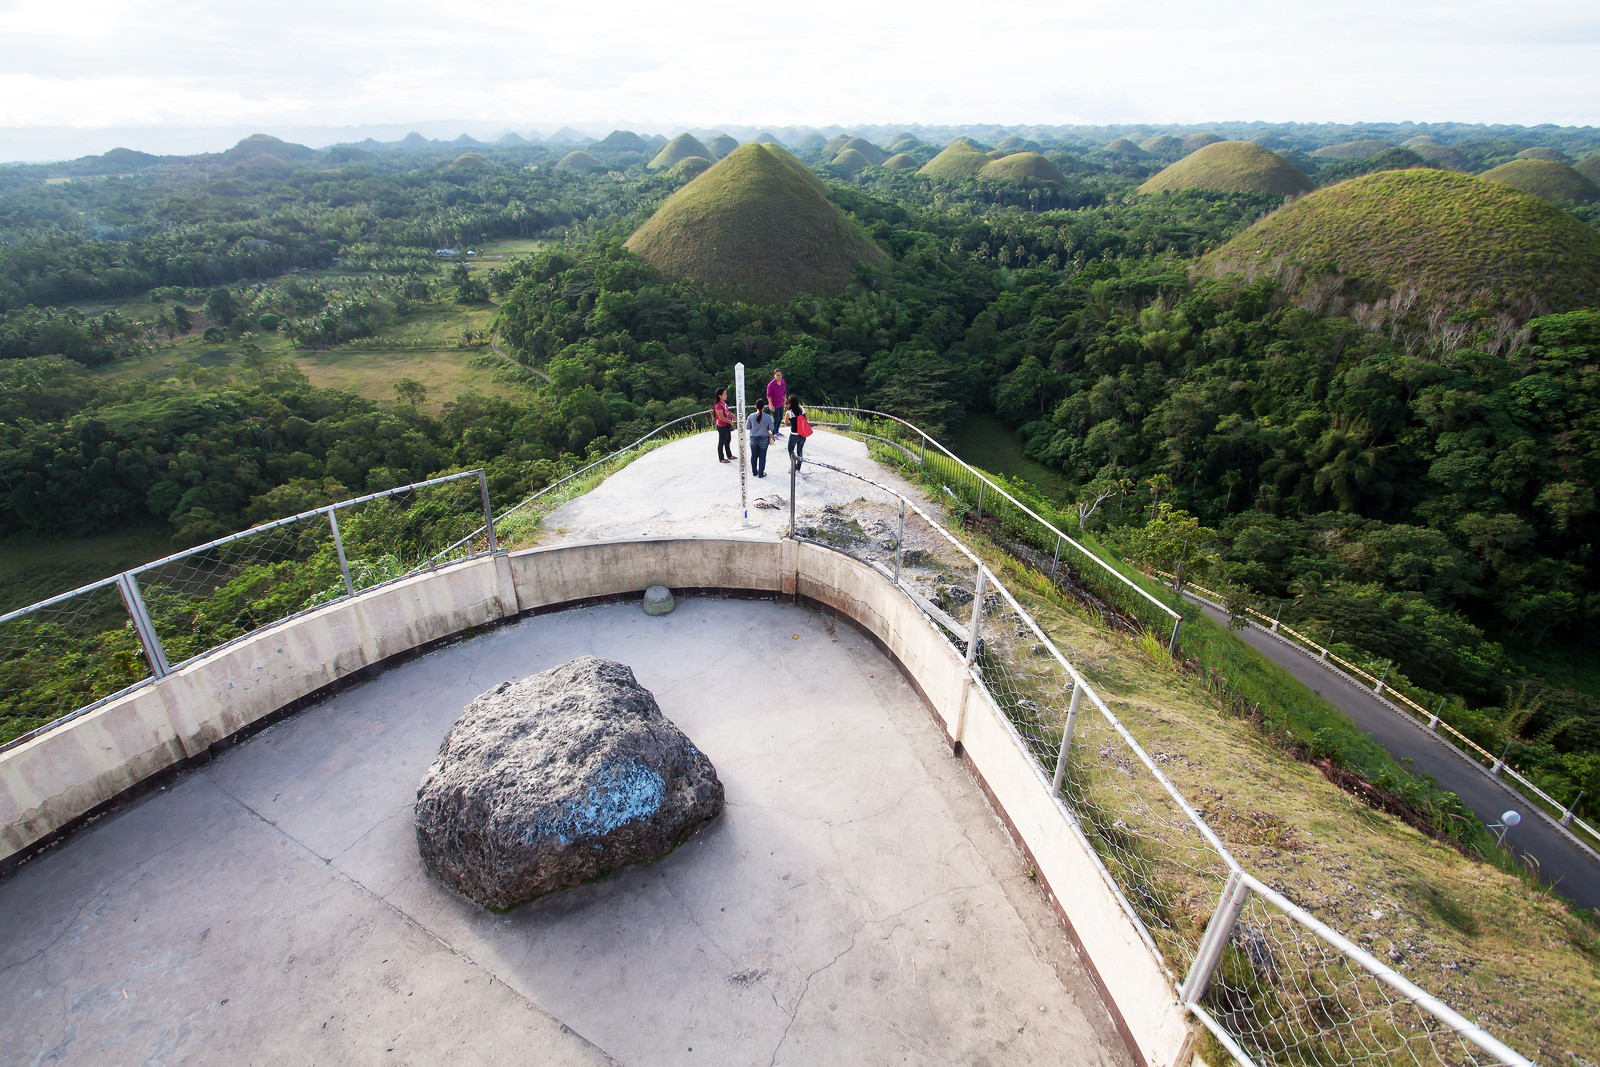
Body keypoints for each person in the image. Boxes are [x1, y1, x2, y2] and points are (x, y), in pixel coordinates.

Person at [746, 399, 775, 478]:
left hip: (753, 438)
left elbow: (747, 427)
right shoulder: (768, 417)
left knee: (754, 455)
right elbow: (772, 428)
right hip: (764, 438)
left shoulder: (751, 416)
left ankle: (754, 472)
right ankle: (761, 473)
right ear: (764, 407)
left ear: (755, 406)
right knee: (762, 456)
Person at [786, 396, 812, 472]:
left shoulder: (789, 413)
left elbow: (785, 422)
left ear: (790, 403)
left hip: (794, 434)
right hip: (803, 434)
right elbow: (806, 419)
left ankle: (793, 466)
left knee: (791, 450)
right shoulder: (802, 409)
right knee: (800, 450)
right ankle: (798, 468)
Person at [712, 387, 733, 463]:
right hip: (722, 426)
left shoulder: (724, 403)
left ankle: (729, 455)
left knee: (728, 440)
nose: (726, 395)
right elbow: (721, 417)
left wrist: (732, 415)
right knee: (722, 442)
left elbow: (726, 412)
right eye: (724, 394)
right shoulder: (718, 405)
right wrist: (730, 422)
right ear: (720, 396)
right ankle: (721, 458)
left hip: (726, 424)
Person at [766, 369, 787, 439]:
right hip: (774, 404)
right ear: (774, 376)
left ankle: (777, 431)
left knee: (780, 418)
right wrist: (771, 405)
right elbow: (768, 396)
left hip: (781, 403)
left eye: (780, 375)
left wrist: (784, 400)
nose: (779, 376)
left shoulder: (783, 382)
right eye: (777, 375)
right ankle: (773, 432)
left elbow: (784, 392)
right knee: (776, 419)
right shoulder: (771, 384)